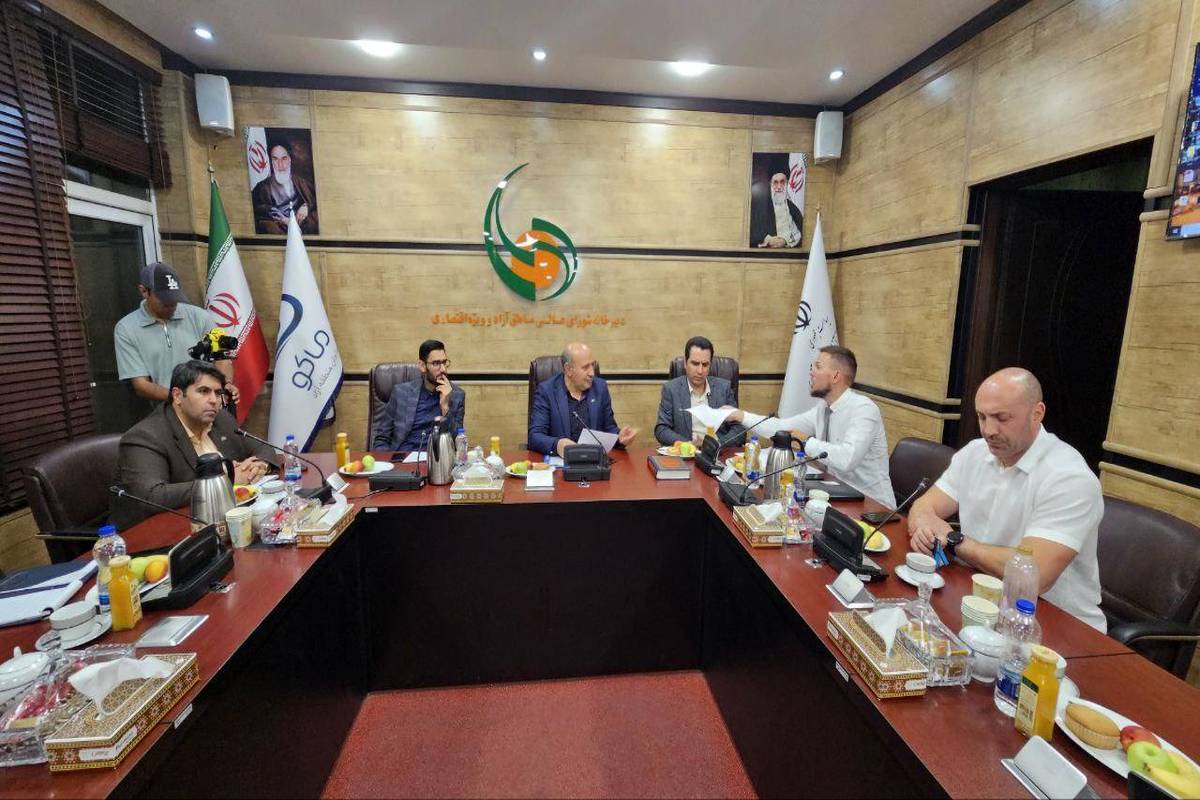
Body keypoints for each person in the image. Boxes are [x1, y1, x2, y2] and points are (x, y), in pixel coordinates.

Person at [907, 368, 1106, 631]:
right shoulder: (974, 453)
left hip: (1052, 623)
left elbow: (1033, 575)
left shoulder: (1069, 477)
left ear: (1037, 413)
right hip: (979, 599)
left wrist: (955, 541)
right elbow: (923, 507)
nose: (988, 430)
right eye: (982, 417)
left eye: (1002, 418)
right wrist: (924, 527)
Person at [110, 361, 273, 529]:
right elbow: (152, 496)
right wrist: (227, 481)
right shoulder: (146, 436)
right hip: (156, 532)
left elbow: (264, 447)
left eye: (218, 393)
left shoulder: (221, 419)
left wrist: (259, 466)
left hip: (220, 520)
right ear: (177, 396)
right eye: (203, 391)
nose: (213, 400)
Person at [726, 345, 896, 508]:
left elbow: (847, 459)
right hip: (835, 496)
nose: (811, 372)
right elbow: (782, 427)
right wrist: (741, 416)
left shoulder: (864, 409)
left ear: (835, 376)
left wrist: (806, 442)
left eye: (818, 367)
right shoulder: (823, 408)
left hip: (873, 506)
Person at [114, 262, 237, 406]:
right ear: (144, 291)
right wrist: (183, 399)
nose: (172, 305)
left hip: (210, 405)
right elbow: (141, 385)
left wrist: (225, 385)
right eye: (164, 301)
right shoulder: (126, 329)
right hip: (165, 409)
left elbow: (221, 359)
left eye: (174, 298)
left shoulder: (200, 317)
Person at [528, 342, 638, 456]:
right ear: (568, 369)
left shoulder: (600, 388)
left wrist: (619, 438)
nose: (592, 373)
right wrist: (557, 445)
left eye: (592, 365)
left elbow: (609, 428)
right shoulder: (547, 391)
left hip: (593, 460)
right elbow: (534, 437)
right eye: (585, 367)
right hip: (561, 462)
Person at [372, 340, 466, 452]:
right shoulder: (401, 393)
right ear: (422, 366)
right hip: (403, 457)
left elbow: (458, 443)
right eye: (436, 363)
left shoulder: (456, 396)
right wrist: (387, 460)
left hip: (437, 459)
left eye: (444, 362)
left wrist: (446, 408)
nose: (443, 369)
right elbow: (382, 438)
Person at [655, 336, 745, 447]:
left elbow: (739, 430)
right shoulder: (671, 389)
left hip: (718, 453)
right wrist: (687, 444)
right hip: (687, 452)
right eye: (695, 363)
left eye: (705, 365)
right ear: (685, 363)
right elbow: (662, 429)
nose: (700, 371)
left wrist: (716, 445)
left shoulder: (723, 388)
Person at [251, 141, 318, 235]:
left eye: (284, 158)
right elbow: (257, 209)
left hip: (301, 224)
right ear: (271, 161)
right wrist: (283, 219)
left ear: (290, 159)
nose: (280, 164)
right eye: (275, 159)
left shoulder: (301, 183)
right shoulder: (262, 187)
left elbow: (317, 199)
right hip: (279, 226)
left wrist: (306, 206)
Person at [750, 171, 803, 248]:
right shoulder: (760, 206)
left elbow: (800, 233)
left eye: (782, 182)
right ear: (770, 184)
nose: (779, 187)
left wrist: (785, 240)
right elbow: (752, 232)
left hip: (788, 251)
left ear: (787, 184)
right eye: (775, 182)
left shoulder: (792, 208)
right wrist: (767, 239)